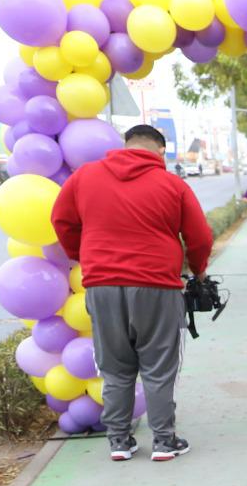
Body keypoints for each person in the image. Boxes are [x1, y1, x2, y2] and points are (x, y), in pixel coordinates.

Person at [50, 123, 212, 463]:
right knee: (158, 367)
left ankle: (119, 442)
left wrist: (85, 257)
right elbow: (199, 237)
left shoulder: (84, 178)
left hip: (102, 286)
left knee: (115, 367)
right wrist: (197, 269)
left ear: (125, 146)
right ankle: (164, 442)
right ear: (160, 150)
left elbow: (62, 221)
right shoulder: (172, 184)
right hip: (157, 286)